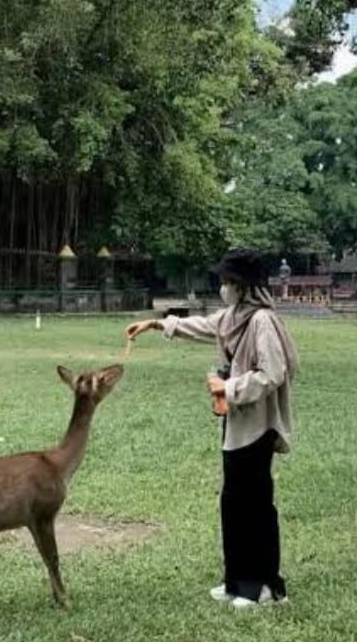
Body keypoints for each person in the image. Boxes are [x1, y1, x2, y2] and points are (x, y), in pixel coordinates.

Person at [125, 249, 298, 609]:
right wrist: (157, 324)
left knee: (255, 504)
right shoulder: (234, 316)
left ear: (243, 286)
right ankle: (237, 581)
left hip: (258, 425)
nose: (223, 288)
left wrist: (228, 388)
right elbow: (203, 325)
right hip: (237, 423)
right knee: (233, 502)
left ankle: (266, 587)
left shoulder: (263, 321)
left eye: (227, 282)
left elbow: (273, 372)